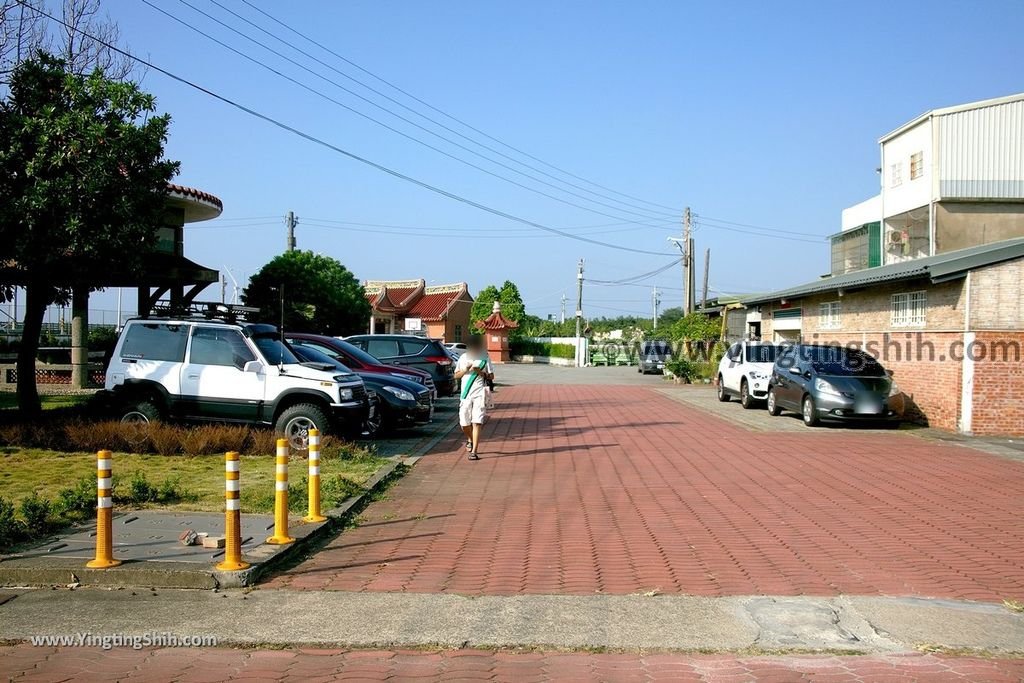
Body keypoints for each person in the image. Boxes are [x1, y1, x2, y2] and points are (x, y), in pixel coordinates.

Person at [454, 335, 494, 460]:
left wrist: (479, 372)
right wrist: (465, 370)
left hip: (479, 394)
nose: (474, 350)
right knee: (464, 423)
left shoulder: (485, 357)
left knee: (477, 422)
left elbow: (491, 376)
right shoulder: (463, 358)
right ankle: (470, 439)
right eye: (472, 347)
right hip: (465, 395)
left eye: (476, 347)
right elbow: (456, 376)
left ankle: (474, 451)